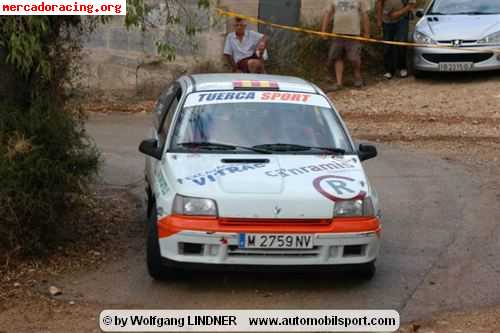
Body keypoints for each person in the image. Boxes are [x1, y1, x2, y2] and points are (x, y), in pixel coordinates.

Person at [321, 0, 371, 91]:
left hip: (353, 34)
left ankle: (357, 75)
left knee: (354, 58)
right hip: (337, 34)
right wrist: (323, 30)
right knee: (337, 57)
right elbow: (328, 13)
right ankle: (339, 82)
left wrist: (367, 32)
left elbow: (365, 15)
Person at [376, 0, 416, 79]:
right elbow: (379, 3)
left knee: (401, 43)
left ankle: (402, 68)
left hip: (402, 19)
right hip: (386, 20)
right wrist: (379, 20)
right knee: (387, 46)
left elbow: (411, 4)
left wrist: (398, 13)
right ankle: (389, 70)